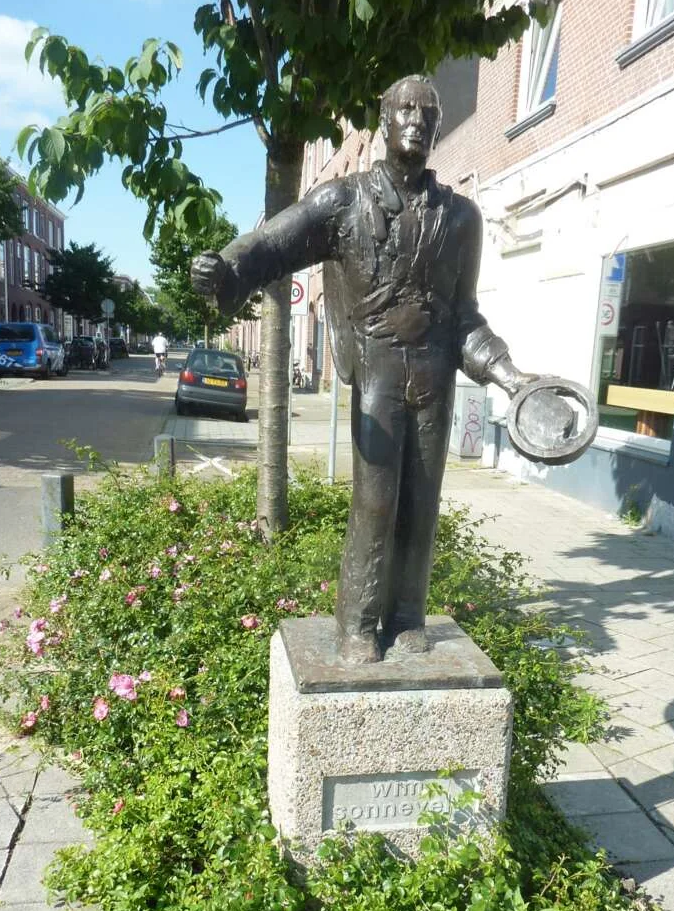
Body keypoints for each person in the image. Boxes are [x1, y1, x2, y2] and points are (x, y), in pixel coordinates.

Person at [191, 75, 564, 664]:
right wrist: (228, 270)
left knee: (423, 501)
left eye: (428, 112)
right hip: (379, 370)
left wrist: (513, 377)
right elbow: (271, 245)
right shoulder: (342, 200)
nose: (416, 119)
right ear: (383, 121)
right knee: (374, 502)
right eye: (404, 109)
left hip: (435, 374)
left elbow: (464, 318)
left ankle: (409, 618)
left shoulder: (462, 218)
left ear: (439, 127)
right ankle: (358, 626)